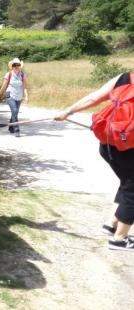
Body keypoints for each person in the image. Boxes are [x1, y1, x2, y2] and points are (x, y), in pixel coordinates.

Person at [54, 72, 134, 251]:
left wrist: (67, 111)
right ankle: (119, 239)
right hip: (127, 146)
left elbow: (94, 98)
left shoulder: (124, 77)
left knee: (128, 181)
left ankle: (112, 223)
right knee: (132, 187)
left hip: (107, 144)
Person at [0, 57, 29, 137]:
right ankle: (16, 129)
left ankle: (10, 127)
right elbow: (3, 87)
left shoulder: (22, 74)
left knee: (15, 112)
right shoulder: (9, 74)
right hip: (9, 94)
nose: (16, 66)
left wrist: (26, 96)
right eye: (14, 65)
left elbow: (25, 87)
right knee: (14, 111)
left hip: (19, 95)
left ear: (20, 65)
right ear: (12, 66)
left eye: (18, 65)